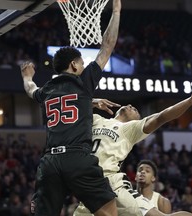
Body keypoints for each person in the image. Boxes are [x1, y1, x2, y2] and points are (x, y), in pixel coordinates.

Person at [20, 0, 122, 215]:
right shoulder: (83, 82)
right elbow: (107, 45)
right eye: (82, 63)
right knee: (110, 211)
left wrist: (27, 76)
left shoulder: (46, 90)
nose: (84, 66)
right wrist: (116, 10)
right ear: (75, 65)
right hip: (76, 158)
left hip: (49, 163)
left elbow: (30, 89)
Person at [74, 77, 192, 216]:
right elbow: (70, 107)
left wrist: (191, 100)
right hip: (87, 184)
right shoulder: (97, 119)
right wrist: (92, 102)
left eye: (135, 110)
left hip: (110, 181)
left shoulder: (130, 129)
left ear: (138, 120)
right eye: (131, 106)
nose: (131, 106)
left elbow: (162, 117)